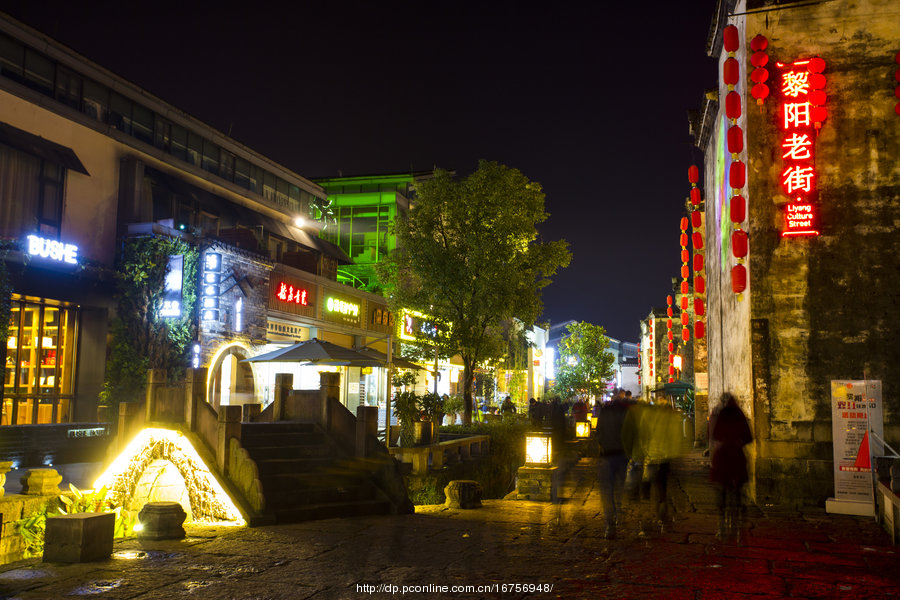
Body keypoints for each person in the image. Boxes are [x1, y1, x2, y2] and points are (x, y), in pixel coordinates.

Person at [709, 392, 753, 541]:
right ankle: (739, 523)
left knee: (722, 490)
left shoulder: (721, 414)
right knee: (738, 490)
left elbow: (714, 435)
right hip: (737, 456)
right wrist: (738, 442)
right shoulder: (740, 415)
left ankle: (721, 522)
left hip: (722, 457)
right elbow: (749, 437)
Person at [595, 389, 631, 539]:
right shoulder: (625, 412)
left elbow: (598, 432)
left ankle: (609, 522)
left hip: (607, 454)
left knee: (607, 490)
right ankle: (619, 514)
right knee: (619, 486)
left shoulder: (604, 412)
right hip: (622, 454)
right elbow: (629, 433)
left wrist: (602, 444)